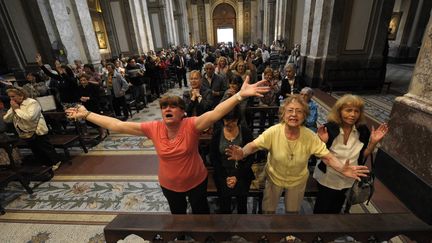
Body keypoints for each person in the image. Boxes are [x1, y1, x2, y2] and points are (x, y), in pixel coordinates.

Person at [65, 76, 269, 214]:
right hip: (170, 184)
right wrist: (87, 114)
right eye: (164, 107)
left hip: (196, 181)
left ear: (182, 112)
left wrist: (240, 95)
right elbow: (117, 125)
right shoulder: (154, 128)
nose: (167, 109)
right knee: (178, 214)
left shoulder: (191, 125)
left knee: (200, 214)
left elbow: (216, 112)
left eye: (173, 106)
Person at [225, 95, 369, 214]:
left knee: (293, 212)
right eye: (290, 110)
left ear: (304, 115)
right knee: (268, 211)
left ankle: (290, 235)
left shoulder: (310, 136)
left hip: (297, 180)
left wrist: (342, 168)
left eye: (299, 111)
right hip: (274, 177)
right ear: (283, 114)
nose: (294, 114)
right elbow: (253, 145)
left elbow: (327, 156)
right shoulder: (274, 131)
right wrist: (242, 152)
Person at [313, 94, 388, 214]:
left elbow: (363, 155)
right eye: (348, 110)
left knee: (337, 207)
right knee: (322, 209)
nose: (352, 115)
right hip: (329, 177)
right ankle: (318, 232)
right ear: (339, 111)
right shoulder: (329, 128)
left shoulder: (362, 130)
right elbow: (318, 155)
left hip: (349, 177)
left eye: (356, 111)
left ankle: (332, 230)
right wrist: (323, 142)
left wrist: (373, 143)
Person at [209, 105, 254, 214]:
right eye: (225, 120)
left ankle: (241, 228)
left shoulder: (245, 132)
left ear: (238, 119)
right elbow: (214, 158)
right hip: (222, 173)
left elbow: (251, 157)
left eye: (232, 120)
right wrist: (226, 177)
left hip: (242, 172)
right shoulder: (217, 133)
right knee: (224, 205)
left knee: (242, 205)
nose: (228, 124)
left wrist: (236, 176)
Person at [3, 87, 61, 170]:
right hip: (25, 132)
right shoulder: (14, 105)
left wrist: (17, 109)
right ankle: (45, 164)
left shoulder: (32, 103)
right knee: (35, 149)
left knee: (45, 148)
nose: (11, 99)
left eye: (13, 96)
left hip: (37, 130)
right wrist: (13, 109)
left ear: (21, 96)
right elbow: (6, 119)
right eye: (10, 97)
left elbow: (29, 117)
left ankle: (55, 162)